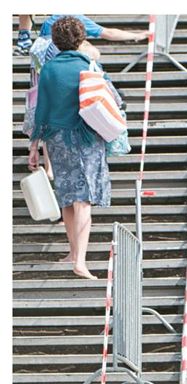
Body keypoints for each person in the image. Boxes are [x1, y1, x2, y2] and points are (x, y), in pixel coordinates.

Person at [28, 16, 113, 281]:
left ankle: (72, 252)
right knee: (84, 200)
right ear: (80, 38)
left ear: (55, 40)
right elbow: (109, 97)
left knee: (66, 196)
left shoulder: (49, 69)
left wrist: (34, 145)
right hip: (84, 138)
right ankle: (81, 261)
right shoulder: (88, 64)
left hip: (56, 139)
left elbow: (39, 110)